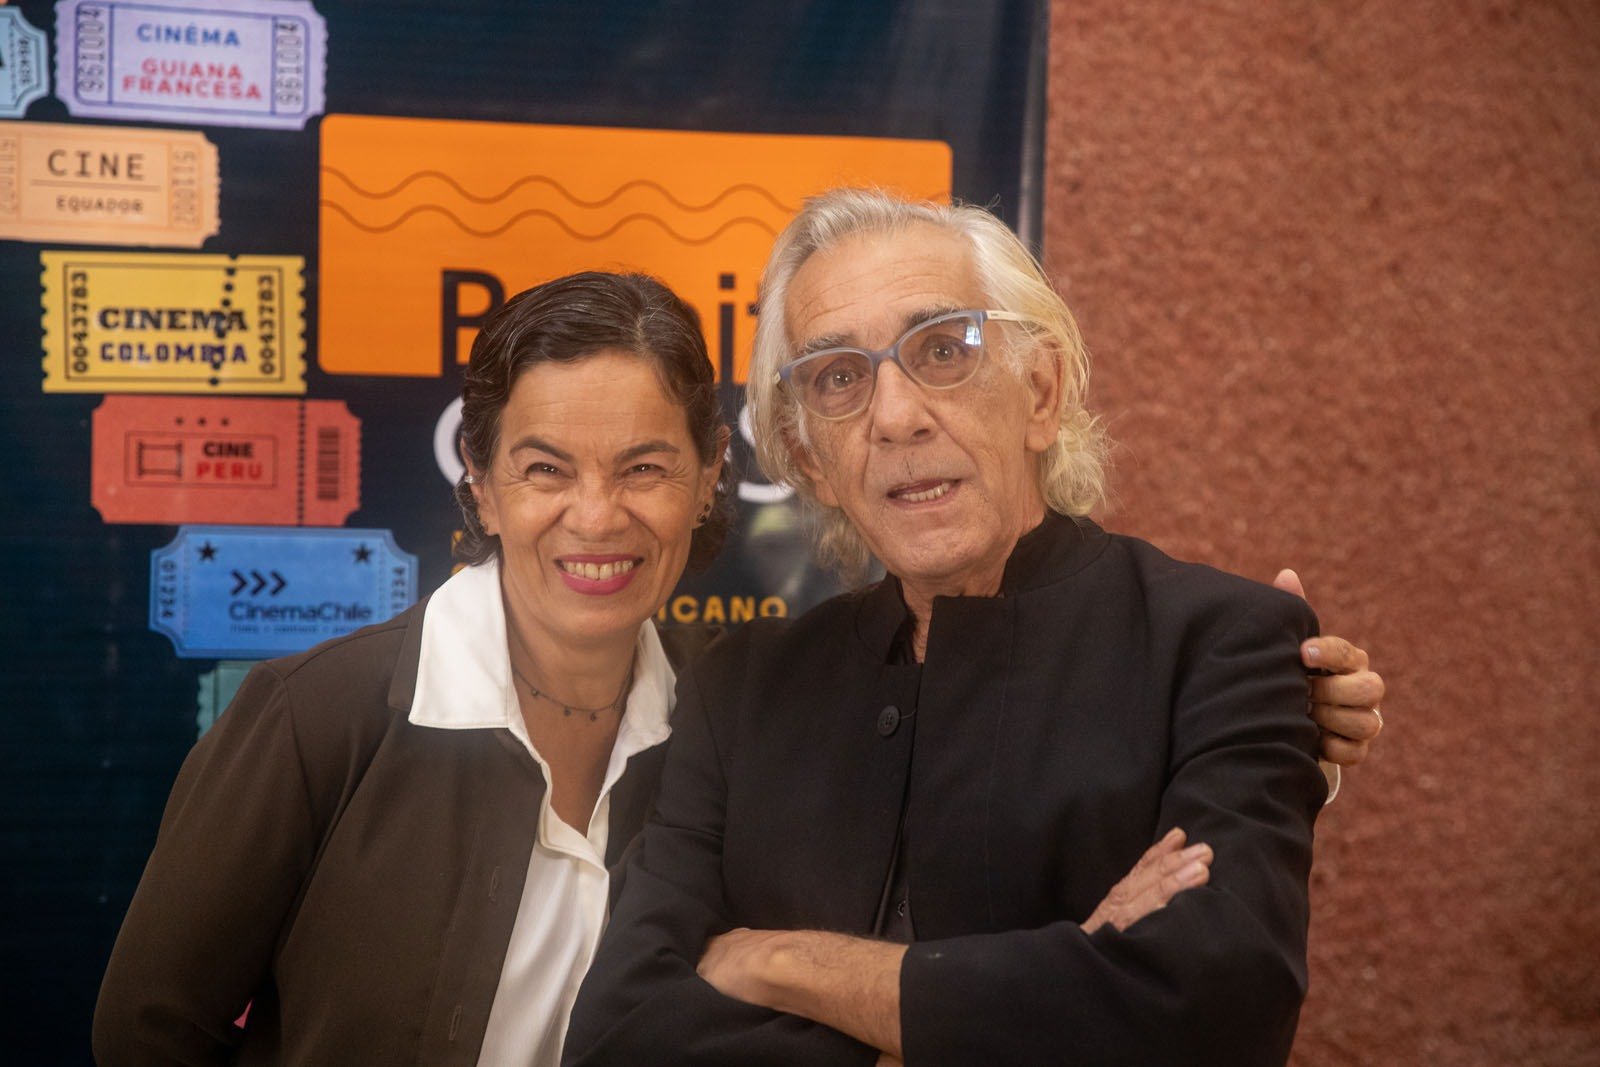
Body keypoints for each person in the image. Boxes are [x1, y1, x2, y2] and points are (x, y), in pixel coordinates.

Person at [92, 269, 1376, 1067]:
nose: (596, 515)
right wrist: (1044, 998)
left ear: (715, 475)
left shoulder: (722, 700)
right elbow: (150, 1031)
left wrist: (774, 963)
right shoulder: (322, 714)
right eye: (543, 468)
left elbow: (1197, 994)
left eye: (644, 466)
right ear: (477, 483)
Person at [563, 190, 1385, 1067]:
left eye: (943, 349)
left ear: (1040, 392)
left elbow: (1218, 1014)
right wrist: (1061, 991)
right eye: (838, 377)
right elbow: (619, 1038)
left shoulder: (1222, 645)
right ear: (809, 459)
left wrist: (783, 963)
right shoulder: (741, 692)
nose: (896, 416)